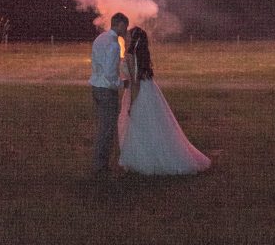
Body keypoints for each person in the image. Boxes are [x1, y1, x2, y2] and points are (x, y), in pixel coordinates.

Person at [118, 26, 211, 176]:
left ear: (133, 39)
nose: (125, 38)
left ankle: (144, 160)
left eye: (128, 36)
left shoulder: (130, 55)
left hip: (139, 92)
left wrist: (132, 104)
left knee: (139, 125)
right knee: (154, 126)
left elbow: (135, 82)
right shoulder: (141, 55)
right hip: (149, 90)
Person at [89, 11, 129, 176]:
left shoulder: (100, 39)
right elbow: (110, 73)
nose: (126, 30)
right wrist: (122, 83)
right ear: (119, 24)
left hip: (96, 87)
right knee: (107, 129)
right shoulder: (113, 44)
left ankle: (100, 163)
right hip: (106, 90)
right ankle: (100, 166)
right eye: (125, 26)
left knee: (103, 127)